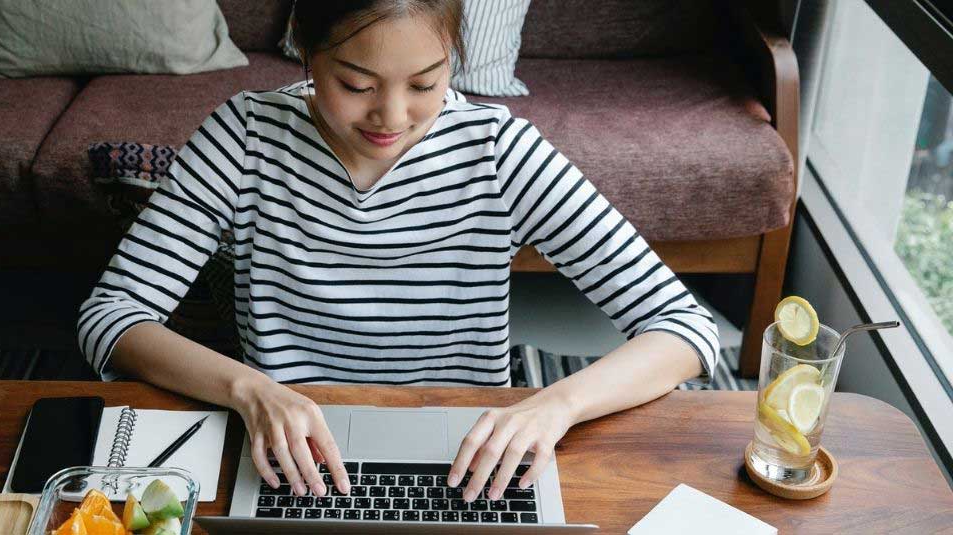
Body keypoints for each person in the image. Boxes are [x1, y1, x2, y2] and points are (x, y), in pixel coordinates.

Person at [77, 0, 719, 506]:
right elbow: (111, 315)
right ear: (307, 53)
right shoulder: (244, 137)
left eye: (425, 83)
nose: (393, 116)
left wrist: (555, 404)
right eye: (355, 83)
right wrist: (252, 391)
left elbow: (686, 330)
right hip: (291, 451)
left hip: (469, 456)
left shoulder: (501, 150)